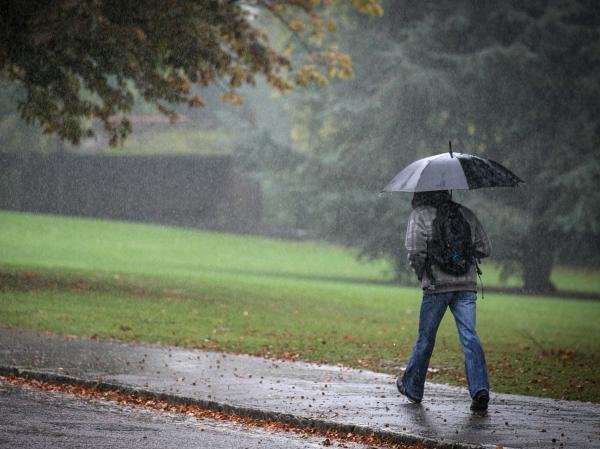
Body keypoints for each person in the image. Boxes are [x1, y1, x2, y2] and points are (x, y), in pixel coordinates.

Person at [397, 190, 491, 413]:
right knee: (469, 336)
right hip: (466, 286)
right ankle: (480, 389)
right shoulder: (466, 214)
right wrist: (461, 255)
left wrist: (424, 273)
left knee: (426, 338)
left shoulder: (420, 215)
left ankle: (413, 387)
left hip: (436, 286)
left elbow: (414, 251)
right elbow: (485, 249)